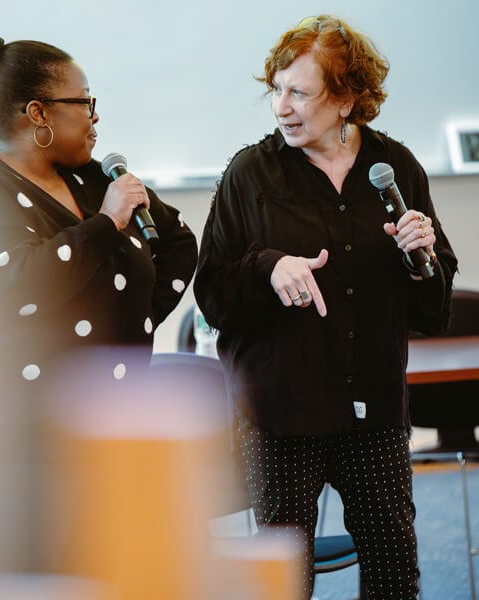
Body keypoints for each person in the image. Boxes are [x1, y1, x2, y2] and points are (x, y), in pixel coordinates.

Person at [194, 14, 458, 599]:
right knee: (284, 581)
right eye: (276, 90)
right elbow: (211, 293)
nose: (281, 107)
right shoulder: (250, 173)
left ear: (348, 100)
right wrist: (268, 267)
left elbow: (431, 309)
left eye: (300, 93)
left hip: (374, 407)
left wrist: (423, 257)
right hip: (281, 412)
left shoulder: (397, 168)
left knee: (394, 569)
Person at [0, 27, 197, 575]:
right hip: (7, 448)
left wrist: (132, 321)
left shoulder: (94, 178)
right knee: (26, 579)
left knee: (102, 575)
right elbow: (17, 287)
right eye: (84, 102)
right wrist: (105, 225)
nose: (95, 117)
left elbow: (176, 243)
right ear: (38, 113)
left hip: (102, 432)